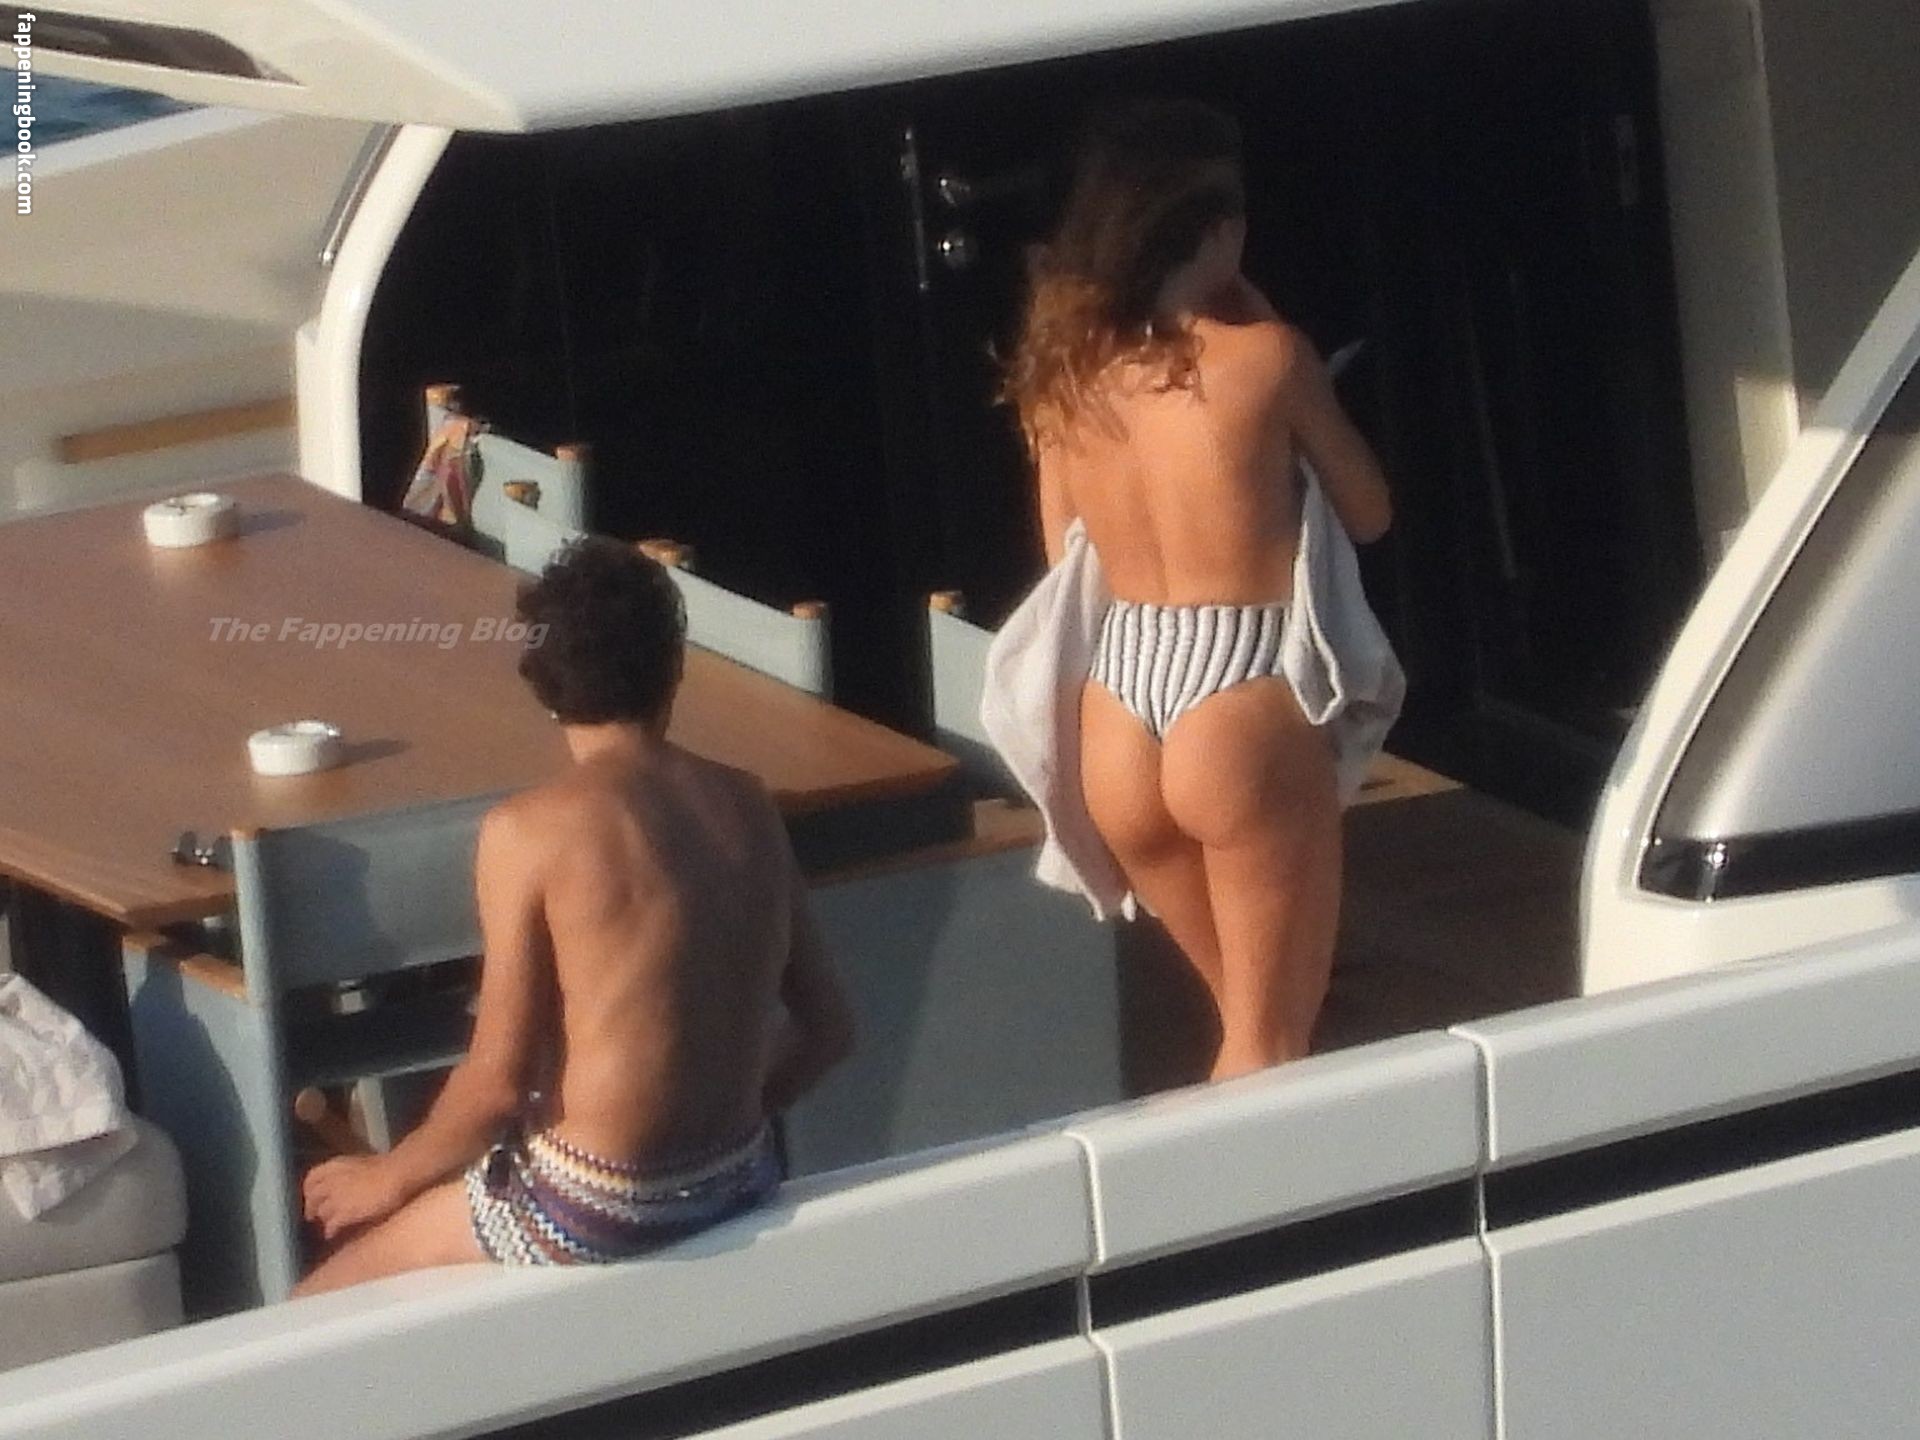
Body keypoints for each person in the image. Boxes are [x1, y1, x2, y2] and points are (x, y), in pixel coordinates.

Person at [294, 538, 856, 1293]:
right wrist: (726, 1128)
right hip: (739, 1178)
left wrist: (386, 1178)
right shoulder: (747, 803)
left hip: (594, 1204)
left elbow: (497, 1086)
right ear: (674, 667)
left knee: (314, 1304)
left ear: (544, 684)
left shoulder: (527, 832)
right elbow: (828, 1031)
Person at [998, 99, 1395, 1083]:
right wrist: (1267, 326)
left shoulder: (1068, 379)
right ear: (1219, 231)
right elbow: (1370, 511)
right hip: (1241, 689)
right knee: (1271, 1043)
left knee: (1245, 1034)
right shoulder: (1267, 360)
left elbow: (1061, 553)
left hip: (1121, 705)